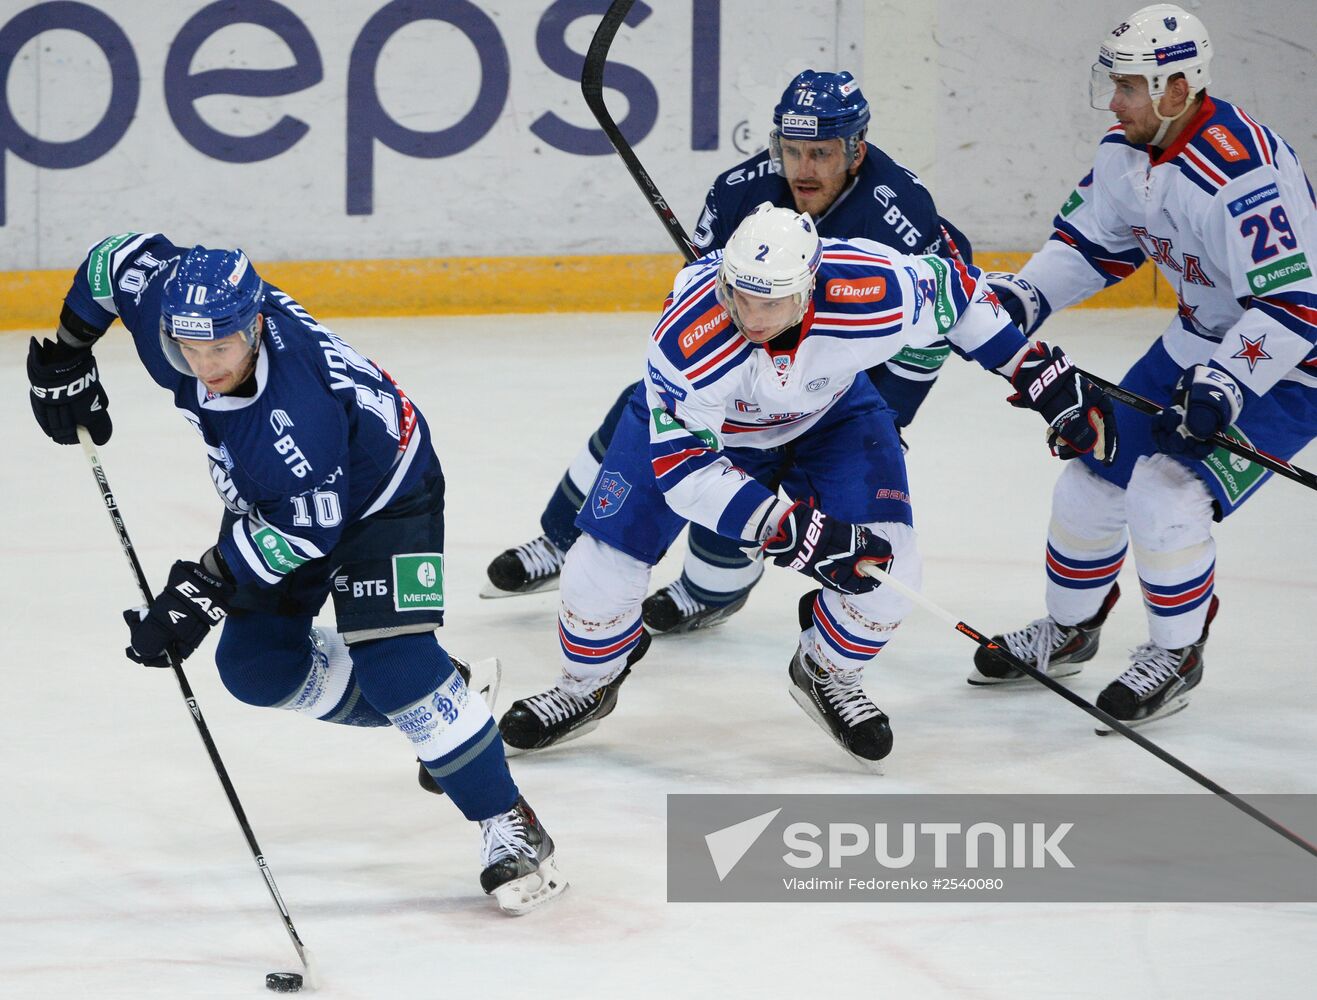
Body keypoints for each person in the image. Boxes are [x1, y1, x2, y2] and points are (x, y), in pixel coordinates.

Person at [25, 235, 567, 915]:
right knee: (258, 670)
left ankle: (506, 821)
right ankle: (447, 702)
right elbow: (114, 259)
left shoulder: (294, 415)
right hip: (278, 500)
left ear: (254, 325)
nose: (203, 364)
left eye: (220, 347)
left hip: (383, 497)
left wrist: (204, 582)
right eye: (189, 348)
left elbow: (307, 533)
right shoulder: (179, 307)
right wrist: (70, 351)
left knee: (394, 668)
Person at [495, 203, 1118, 765]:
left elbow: (958, 294)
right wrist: (787, 527)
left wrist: (1035, 373)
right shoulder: (687, 338)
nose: (752, 316)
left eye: (771, 302)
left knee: (890, 572)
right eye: (740, 297)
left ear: (808, 289)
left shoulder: (867, 288)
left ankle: (826, 671)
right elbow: (687, 475)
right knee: (596, 573)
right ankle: (587, 685)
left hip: (831, 418)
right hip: (704, 440)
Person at [485, 70, 975, 638]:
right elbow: (704, 305)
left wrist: (892, 415)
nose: (802, 169)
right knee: (643, 412)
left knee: (774, 475)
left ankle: (709, 590)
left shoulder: (902, 209)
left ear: (855, 149)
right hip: (747, 366)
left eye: (819, 153)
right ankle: (561, 536)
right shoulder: (740, 191)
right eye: (791, 151)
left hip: (830, 381)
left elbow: (938, 323)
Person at [968, 5, 1317, 730]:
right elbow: (1094, 243)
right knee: (1090, 477)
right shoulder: (1125, 149)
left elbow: (1294, 305)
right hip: (1196, 341)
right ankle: (1069, 630)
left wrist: (1226, 383)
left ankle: (1176, 652)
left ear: (1178, 87)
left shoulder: (1240, 172)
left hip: (1289, 365)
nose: (1113, 101)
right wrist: (1023, 297)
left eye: (1128, 86)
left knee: (1164, 491)